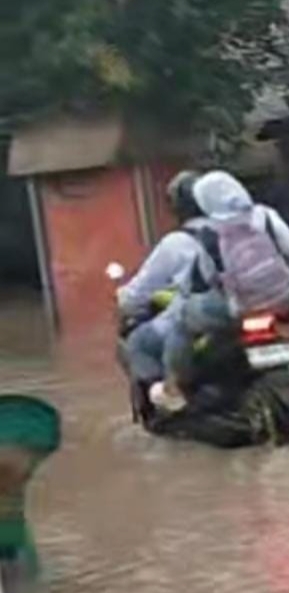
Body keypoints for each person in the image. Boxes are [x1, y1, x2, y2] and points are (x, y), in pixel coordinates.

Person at [164, 171, 289, 391]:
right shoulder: (264, 215)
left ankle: (178, 384)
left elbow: (207, 276)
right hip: (285, 299)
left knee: (181, 319)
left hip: (241, 307)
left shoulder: (209, 233)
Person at [120, 170, 218, 418]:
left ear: (178, 208)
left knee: (138, 343)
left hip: (201, 315)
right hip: (247, 309)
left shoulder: (176, 243)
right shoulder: (235, 231)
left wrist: (125, 299)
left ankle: (166, 403)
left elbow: (139, 292)